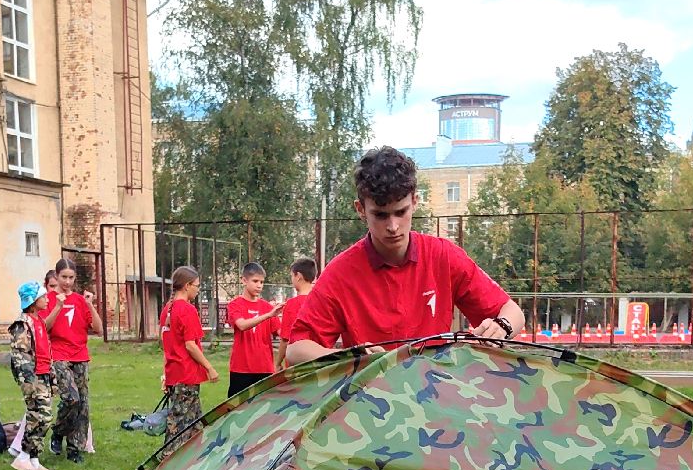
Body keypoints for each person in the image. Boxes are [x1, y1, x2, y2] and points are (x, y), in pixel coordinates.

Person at [286, 146, 525, 363]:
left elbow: (513, 313)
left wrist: (501, 327)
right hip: (370, 402)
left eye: (401, 212)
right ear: (361, 210)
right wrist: (353, 358)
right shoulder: (341, 273)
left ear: (415, 201)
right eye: (380, 215)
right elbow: (296, 350)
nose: (393, 226)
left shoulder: (444, 256)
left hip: (437, 397)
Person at [43, 258, 101, 464]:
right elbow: (44, 327)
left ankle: (75, 447)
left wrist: (89, 305)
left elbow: (98, 328)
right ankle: (58, 432)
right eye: (63, 277)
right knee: (71, 399)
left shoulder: (79, 300)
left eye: (71, 278)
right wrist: (58, 307)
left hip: (80, 356)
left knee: (83, 404)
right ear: (56, 277)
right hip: (59, 355)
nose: (67, 282)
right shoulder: (48, 299)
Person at [159, 266, 217, 439]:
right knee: (178, 424)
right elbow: (190, 345)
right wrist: (209, 367)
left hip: (174, 374)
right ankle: (169, 459)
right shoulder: (187, 310)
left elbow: (167, 346)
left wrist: (165, 375)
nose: (198, 290)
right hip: (186, 374)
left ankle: (197, 457)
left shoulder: (167, 310)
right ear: (186, 285)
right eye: (197, 286)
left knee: (195, 422)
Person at [7, 281, 55, 470]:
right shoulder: (22, 324)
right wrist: (28, 381)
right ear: (33, 301)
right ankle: (24, 455)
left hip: (43, 374)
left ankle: (33, 459)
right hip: (33, 378)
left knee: (41, 417)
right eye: (43, 297)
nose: (47, 299)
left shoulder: (39, 321)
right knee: (41, 416)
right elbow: (21, 355)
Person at [224, 262, 284, 397]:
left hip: (264, 368)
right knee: (237, 410)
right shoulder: (235, 305)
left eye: (262, 282)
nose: (259, 285)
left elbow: (282, 334)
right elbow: (242, 325)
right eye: (255, 281)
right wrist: (268, 315)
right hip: (241, 368)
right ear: (244, 280)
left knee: (263, 411)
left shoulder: (268, 307)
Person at [275, 257, 319, 368]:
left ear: (298, 276)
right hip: (319, 363)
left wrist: (278, 363)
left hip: (297, 366)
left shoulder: (292, 304)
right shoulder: (321, 302)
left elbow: (285, 339)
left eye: (292, 276)